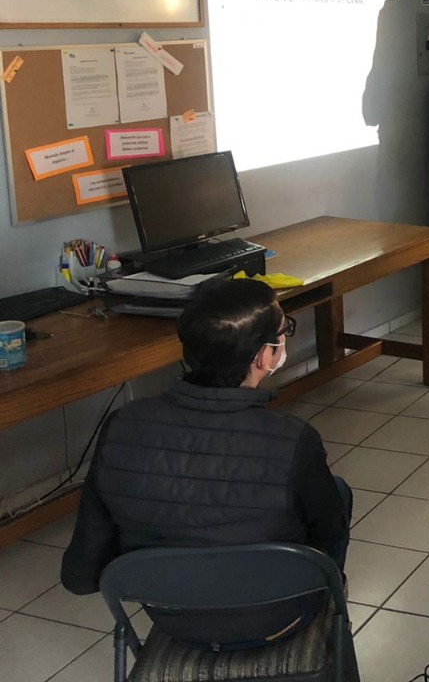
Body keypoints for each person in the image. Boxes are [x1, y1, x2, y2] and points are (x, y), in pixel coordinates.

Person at [61, 278, 356, 666]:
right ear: (263, 357)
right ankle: (329, 614)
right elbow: (326, 532)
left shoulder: (121, 425)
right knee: (336, 493)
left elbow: (82, 572)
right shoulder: (293, 439)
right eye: (284, 332)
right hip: (277, 617)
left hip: (173, 615)